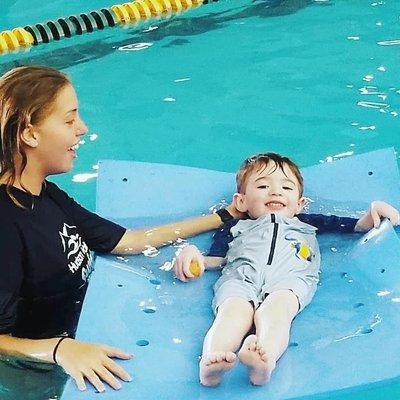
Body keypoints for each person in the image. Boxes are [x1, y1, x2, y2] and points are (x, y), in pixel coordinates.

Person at [0, 65, 242, 393]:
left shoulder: (44, 193)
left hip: (84, 341)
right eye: (69, 120)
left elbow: (127, 240)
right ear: (30, 134)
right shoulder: (6, 223)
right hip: (42, 375)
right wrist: (59, 349)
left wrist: (227, 216)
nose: (82, 129)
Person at [173, 152, 400, 387]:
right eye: (262, 185)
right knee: (231, 312)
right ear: (241, 201)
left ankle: (265, 360)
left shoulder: (309, 221)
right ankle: (211, 363)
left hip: (290, 280)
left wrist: (376, 210)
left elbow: (356, 226)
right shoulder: (234, 226)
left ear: (300, 204)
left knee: (276, 313)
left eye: (286, 187)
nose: (275, 192)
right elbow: (216, 259)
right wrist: (193, 255)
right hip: (240, 277)